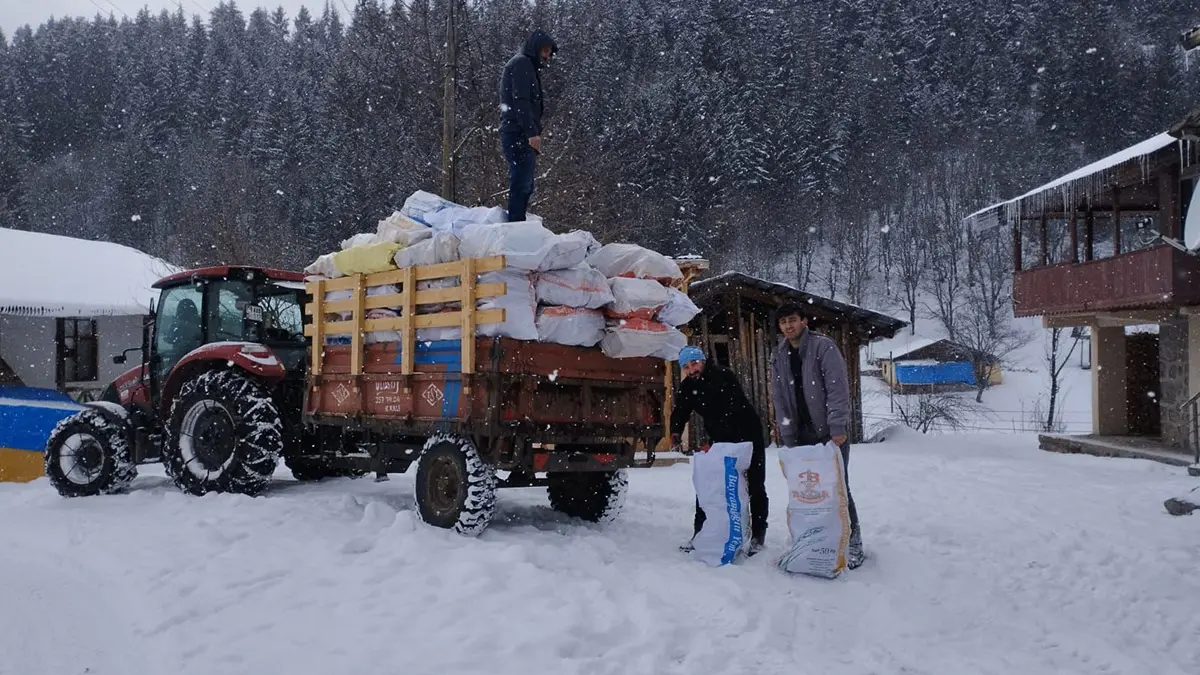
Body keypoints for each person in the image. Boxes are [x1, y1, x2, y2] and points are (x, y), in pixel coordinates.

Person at [769, 302, 865, 569]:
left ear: (804, 321)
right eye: (783, 322)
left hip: (827, 433)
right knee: (808, 493)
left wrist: (837, 427)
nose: (788, 326)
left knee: (838, 489)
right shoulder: (779, 355)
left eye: (792, 320)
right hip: (800, 434)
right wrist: (787, 434)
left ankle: (853, 544)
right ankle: (815, 542)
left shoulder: (823, 347)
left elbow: (837, 389)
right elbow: (779, 397)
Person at [670, 345, 769, 556]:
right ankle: (700, 532)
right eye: (686, 367)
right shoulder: (688, 386)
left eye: (694, 363)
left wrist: (718, 443)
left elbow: (731, 408)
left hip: (747, 434)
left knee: (755, 484)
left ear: (703, 361)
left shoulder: (723, 375)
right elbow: (680, 410)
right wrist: (675, 431)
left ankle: (758, 536)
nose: (691, 369)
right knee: (709, 484)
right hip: (720, 438)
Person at [498, 29, 557, 222]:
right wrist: (531, 132)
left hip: (518, 131)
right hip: (517, 133)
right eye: (545, 51)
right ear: (536, 48)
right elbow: (520, 101)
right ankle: (515, 224)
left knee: (525, 182)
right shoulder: (522, 64)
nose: (547, 57)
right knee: (521, 182)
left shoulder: (526, 65)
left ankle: (518, 222)